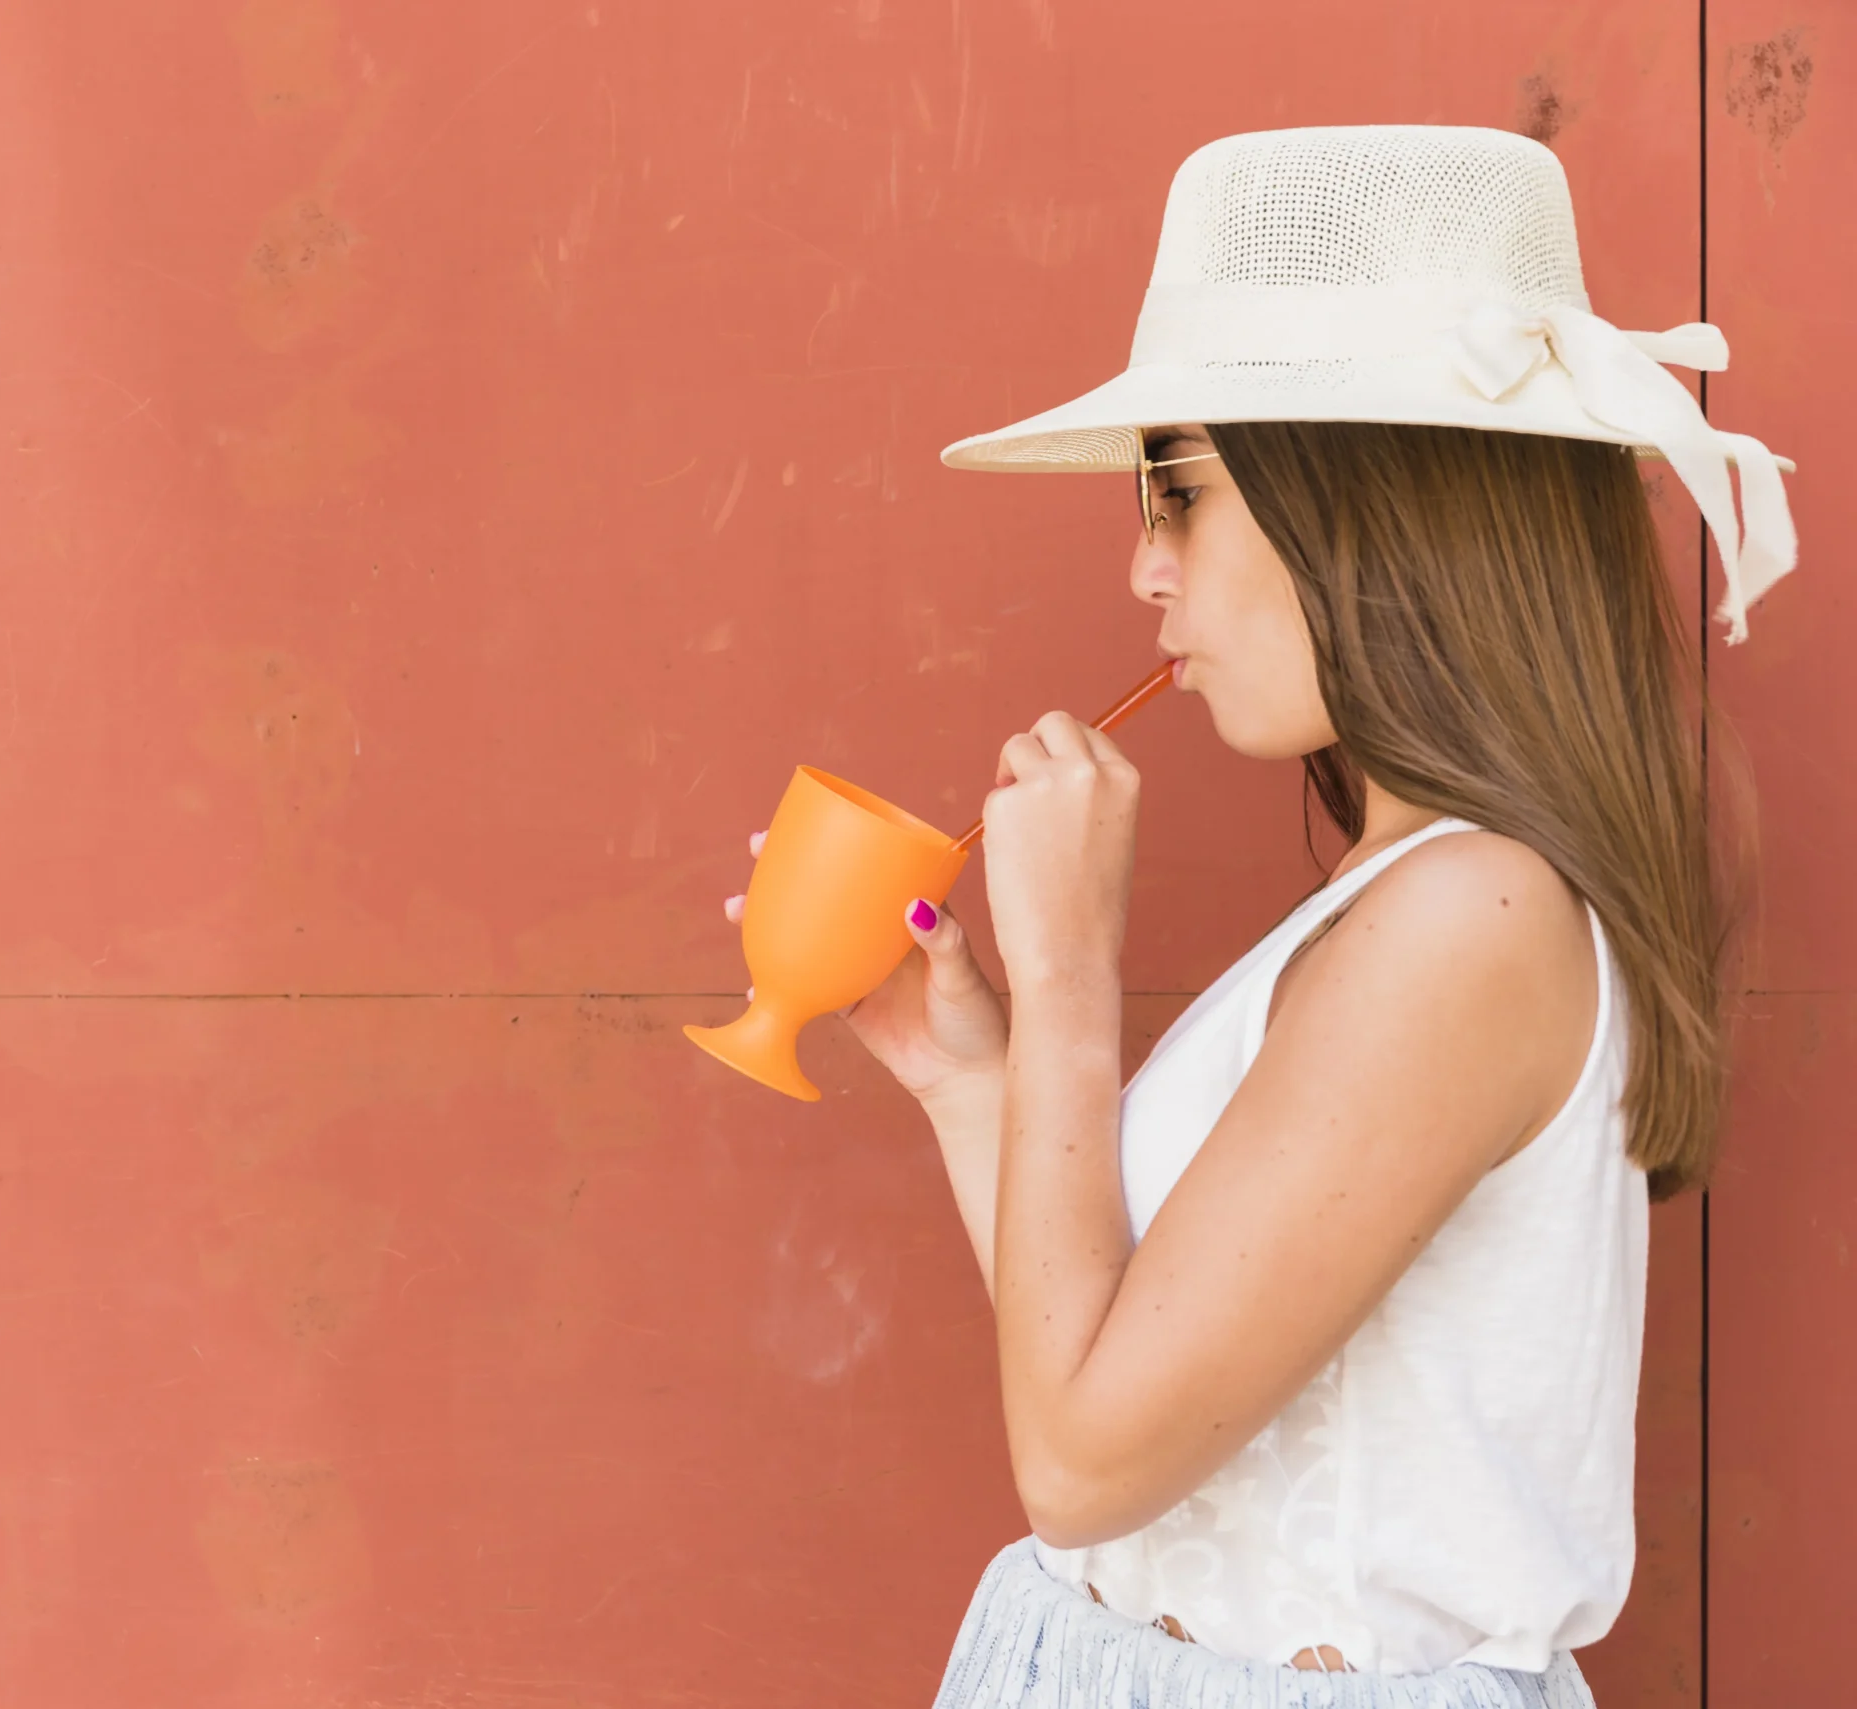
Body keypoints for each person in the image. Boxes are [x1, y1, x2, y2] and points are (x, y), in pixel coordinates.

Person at [722, 127, 1797, 1705]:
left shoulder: (1472, 920)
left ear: (1369, 506)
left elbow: (1083, 1467)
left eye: (1181, 493)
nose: (1145, 572)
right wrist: (975, 1074)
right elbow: (1116, 1362)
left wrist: (1077, 971)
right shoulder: (1405, 899)